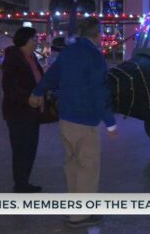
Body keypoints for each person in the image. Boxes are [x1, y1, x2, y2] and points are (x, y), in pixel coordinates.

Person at [29, 17, 117, 228]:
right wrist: (110, 122)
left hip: (66, 118)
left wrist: (37, 91)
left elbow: (52, 74)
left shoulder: (69, 51)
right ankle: (80, 216)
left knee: (72, 165)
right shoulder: (95, 56)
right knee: (88, 166)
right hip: (85, 120)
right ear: (97, 35)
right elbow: (99, 91)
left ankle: (73, 209)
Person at [2, 27, 44, 193]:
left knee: (30, 147)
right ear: (25, 40)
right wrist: (29, 96)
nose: (37, 41)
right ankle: (20, 183)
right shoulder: (14, 59)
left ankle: (24, 181)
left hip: (33, 112)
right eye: (35, 38)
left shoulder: (31, 57)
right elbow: (10, 87)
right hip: (19, 112)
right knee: (21, 148)